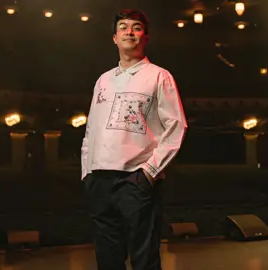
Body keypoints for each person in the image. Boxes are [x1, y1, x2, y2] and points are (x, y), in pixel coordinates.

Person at [81, 9, 187, 270]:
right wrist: (87, 172)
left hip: (135, 179)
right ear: (115, 38)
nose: (130, 32)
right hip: (100, 179)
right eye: (124, 27)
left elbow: (176, 126)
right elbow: (91, 130)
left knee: (144, 255)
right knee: (107, 256)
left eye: (136, 27)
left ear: (146, 37)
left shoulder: (159, 76)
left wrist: (149, 172)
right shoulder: (104, 80)